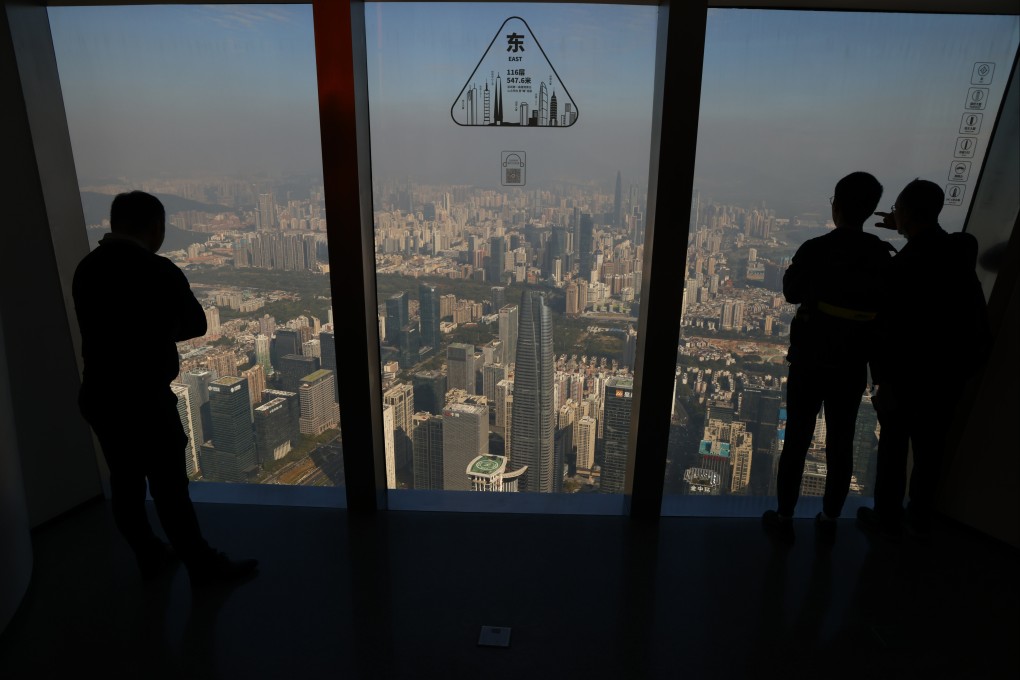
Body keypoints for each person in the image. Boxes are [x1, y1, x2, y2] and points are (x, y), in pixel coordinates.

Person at [73, 191, 257, 586]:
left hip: (101, 395)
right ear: (155, 227)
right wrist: (156, 331)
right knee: (171, 491)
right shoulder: (158, 270)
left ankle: (149, 554)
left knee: (125, 485)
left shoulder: (86, 268)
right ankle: (203, 569)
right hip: (144, 401)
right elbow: (196, 324)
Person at [762, 172, 894, 544]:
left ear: (835, 204)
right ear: (869, 210)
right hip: (853, 365)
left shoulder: (817, 248)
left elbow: (791, 292)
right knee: (841, 442)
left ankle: (785, 516)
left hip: (810, 360)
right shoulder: (882, 256)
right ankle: (829, 518)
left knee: (798, 441)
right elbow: (887, 312)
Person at [857, 179, 990, 538]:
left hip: (908, 376)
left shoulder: (905, 267)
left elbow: (891, 329)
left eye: (898, 207)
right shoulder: (957, 251)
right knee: (931, 450)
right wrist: (904, 225)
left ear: (909, 213)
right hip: (949, 374)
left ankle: (886, 516)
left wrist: (883, 380)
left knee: (894, 447)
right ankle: (920, 517)